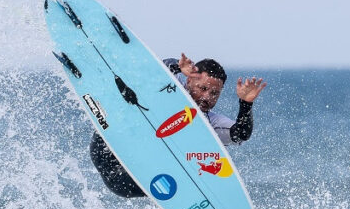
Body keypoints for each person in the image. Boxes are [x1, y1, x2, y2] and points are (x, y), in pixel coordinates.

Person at [90, 54, 268, 197]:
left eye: (214, 93)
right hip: (107, 147)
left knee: (201, 171)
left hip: (128, 179)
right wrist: (178, 67)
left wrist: (246, 104)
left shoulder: (209, 123)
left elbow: (240, 134)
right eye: (202, 88)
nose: (207, 97)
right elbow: (150, 71)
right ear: (189, 81)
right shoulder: (167, 85)